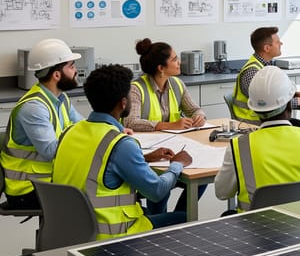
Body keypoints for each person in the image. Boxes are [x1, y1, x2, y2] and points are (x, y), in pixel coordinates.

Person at [52, 65, 191, 239]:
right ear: (123, 103)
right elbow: (156, 191)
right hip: (110, 236)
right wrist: (177, 164)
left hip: (72, 230)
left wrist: (144, 159)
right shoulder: (120, 144)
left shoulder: (70, 132)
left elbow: (96, 165)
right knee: (186, 217)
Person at [215, 66, 300, 211]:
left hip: (253, 230)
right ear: (289, 104)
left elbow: (222, 192)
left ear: (254, 109)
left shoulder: (239, 147)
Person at [1, 39, 84, 209]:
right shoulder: (34, 108)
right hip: (28, 188)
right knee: (95, 192)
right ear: (56, 75)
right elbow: (51, 151)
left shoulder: (60, 99)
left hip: (50, 181)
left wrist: (113, 131)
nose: (76, 71)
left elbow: (85, 127)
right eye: (71, 66)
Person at [232, 27, 300, 125]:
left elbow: (271, 97)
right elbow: (267, 106)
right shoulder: (252, 72)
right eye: (278, 42)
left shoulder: (265, 66)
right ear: (267, 48)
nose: (281, 44)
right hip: (251, 125)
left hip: (264, 121)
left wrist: (294, 94)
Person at [123, 38, 206, 132]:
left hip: (174, 140)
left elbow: (194, 110)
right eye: (174, 60)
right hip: (146, 144)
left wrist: (199, 116)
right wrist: (170, 125)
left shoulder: (178, 84)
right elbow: (131, 123)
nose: (179, 62)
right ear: (161, 68)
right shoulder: (136, 89)